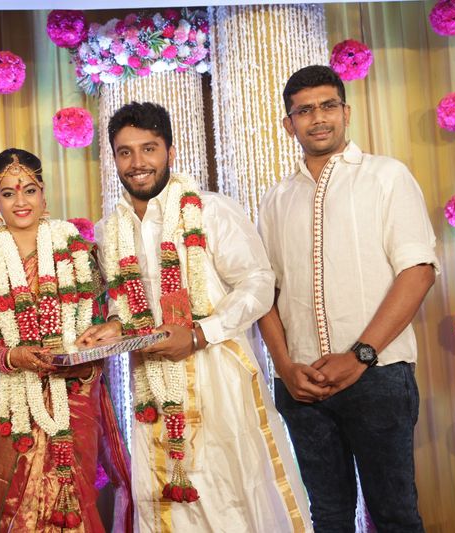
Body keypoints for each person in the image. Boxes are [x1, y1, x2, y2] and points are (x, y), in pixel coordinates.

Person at [78, 102, 312, 532]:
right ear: (114, 159)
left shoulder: (209, 210)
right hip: (153, 386)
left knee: (233, 495)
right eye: (125, 152)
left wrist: (200, 334)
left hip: (219, 379)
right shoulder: (111, 230)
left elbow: (259, 283)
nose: (137, 162)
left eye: (149, 148)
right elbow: (128, 304)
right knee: (169, 500)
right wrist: (113, 326)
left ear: (170, 151)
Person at [258, 65, 438, 532]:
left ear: (346, 112)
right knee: (329, 517)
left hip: (378, 377)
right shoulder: (277, 199)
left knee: (395, 515)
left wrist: (359, 356)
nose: (318, 118)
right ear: (288, 124)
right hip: (302, 385)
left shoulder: (386, 177)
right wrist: (285, 368)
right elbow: (264, 294)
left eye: (328, 106)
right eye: (304, 110)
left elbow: (418, 271)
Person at [0, 148, 132, 532]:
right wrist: (10, 357)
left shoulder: (79, 255)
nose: (21, 201)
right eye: (8, 193)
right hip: (7, 406)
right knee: (13, 509)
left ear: (44, 194)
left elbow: (103, 324)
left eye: (29, 190)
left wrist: (86, 353)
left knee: (74, 503)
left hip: (74, 397)